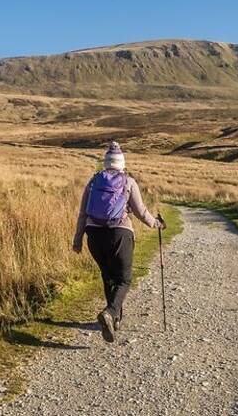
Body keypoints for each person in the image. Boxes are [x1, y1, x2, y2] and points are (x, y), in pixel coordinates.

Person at [72, 142, 166, 343]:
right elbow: (141, 212)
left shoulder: (93, 181)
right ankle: (110, 312)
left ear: (105, 164)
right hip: (120, 233)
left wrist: (78, 239)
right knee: (124, 279)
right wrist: (156, 224)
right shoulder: (128, 182)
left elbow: (82, 214)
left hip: (94, 235)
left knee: (108, 276)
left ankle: (115, 320)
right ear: (122, 164)